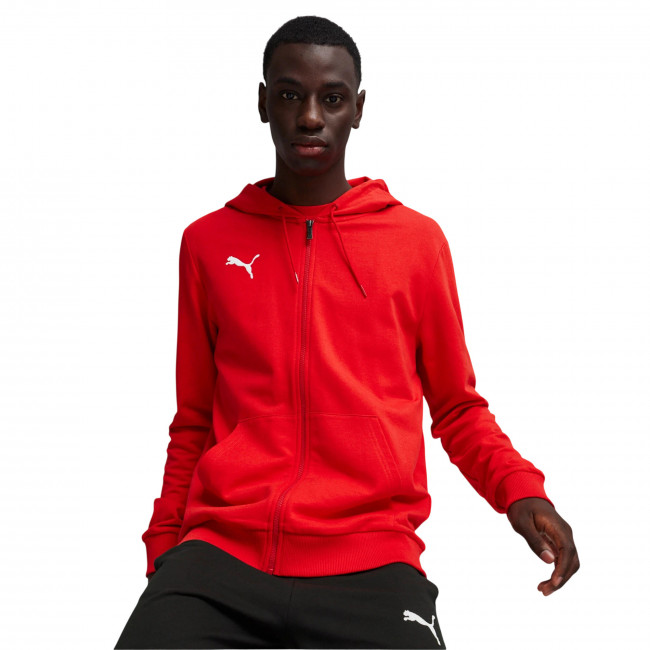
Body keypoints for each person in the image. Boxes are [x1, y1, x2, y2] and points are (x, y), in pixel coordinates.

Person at [114, 15, 580, 650]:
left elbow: (456, 407)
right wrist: (164, 553)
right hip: (220, 555)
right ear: (263, 103)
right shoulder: (208, 243)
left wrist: (521, 494)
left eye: (331, 98)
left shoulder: (415, 243)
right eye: (290, 95)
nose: (310, 117)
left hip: (371, 559)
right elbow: (193, 420)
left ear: (358, 109)